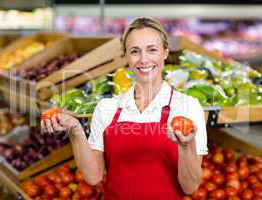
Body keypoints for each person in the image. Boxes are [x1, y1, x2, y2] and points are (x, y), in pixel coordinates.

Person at [42, 17, 208, 199]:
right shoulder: (107, 108)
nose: (144, 59)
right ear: (126, 57)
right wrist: (75, 130)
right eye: (135, 51)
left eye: (152, 50)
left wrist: (186, 147)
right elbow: (93, 176)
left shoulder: (187, 107)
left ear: (165, 53)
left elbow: (190, 187)